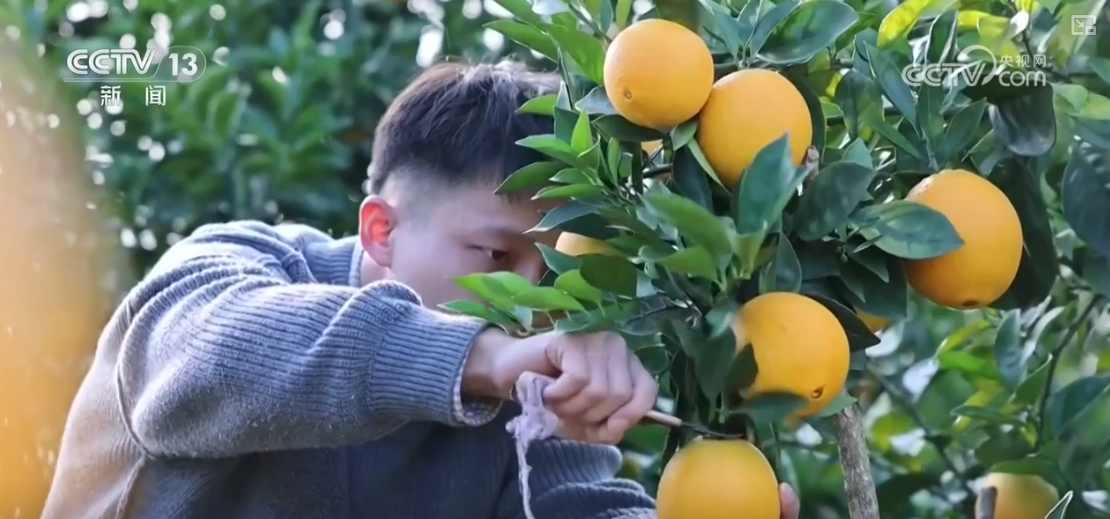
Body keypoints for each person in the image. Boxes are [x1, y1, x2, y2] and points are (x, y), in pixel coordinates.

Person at [42, 60, 801, 519]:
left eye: (554, 269)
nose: (533, 296)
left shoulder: (528, 390)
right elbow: (211, 362)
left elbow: (572, 506)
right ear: (380, 229)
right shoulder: (233, 269)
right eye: (495, 253)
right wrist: (482, 355)